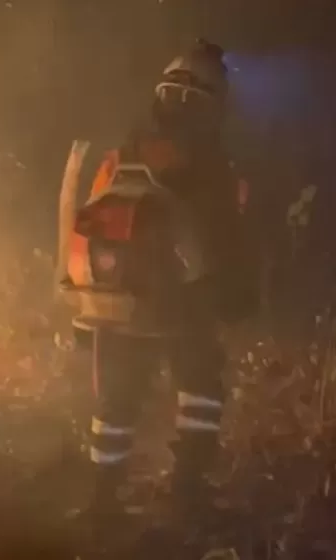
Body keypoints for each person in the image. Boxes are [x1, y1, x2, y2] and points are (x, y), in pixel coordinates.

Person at [61, 38, 258, 542]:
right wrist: (237, 295)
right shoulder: (209, 161)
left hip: (110, 301)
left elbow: (88, 220)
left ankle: (101, 505)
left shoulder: (124, 151)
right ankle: (187, 493)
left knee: (117, 403)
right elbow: (225, 238)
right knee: (202, 387)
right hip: (180, 304)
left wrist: (84, 300)